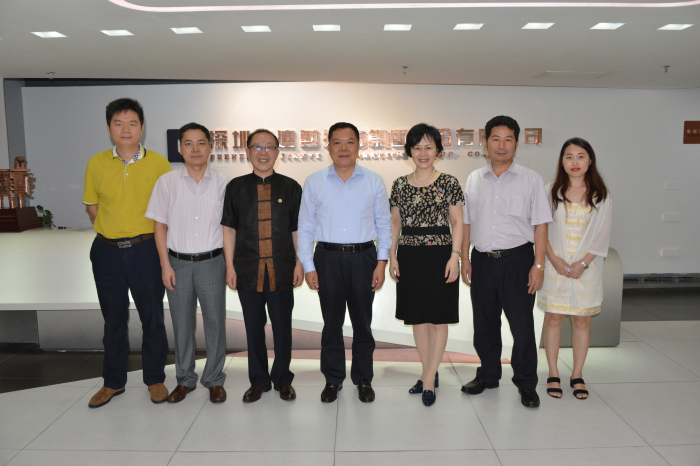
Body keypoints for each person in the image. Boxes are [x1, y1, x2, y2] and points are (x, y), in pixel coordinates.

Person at [83, 98, 172, 408]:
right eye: (118, 123)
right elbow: (92, 207)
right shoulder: (96, 163)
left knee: (153, 317)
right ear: (109, 129)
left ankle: (155, 379)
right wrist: (114, 232)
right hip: (106, 252)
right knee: (113, 320)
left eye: (132, 123)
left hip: (145, 250)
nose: (125, 129)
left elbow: (166, 212)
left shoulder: (158, 163)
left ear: (142, 128)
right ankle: (113, 382)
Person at [460, 115, 552, 408]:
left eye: (508, 139)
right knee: (484, 324)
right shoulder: (474, 179)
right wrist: (465, 258)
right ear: (485, 143)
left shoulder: (531, 179)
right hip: (483, 261)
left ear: (516, 143)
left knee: (522, 326)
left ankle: (526, 383)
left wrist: (538, 265)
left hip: (518, 261)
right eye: (495, 139)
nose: (501, 145)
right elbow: (466, 222)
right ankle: (488, 375)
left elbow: (541, 224)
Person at [297, 122, 392, 403]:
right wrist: (308, 265)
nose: (343, 148)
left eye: (350, 142)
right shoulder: (315, 181)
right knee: (332, 324)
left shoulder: (374, 180)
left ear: (358, 146)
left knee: (363, 323)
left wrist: (381, 262)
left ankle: (363, 378)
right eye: (337, 142)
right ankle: (333, 379)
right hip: (327, 258)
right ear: (328, 147)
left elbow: (384, 224)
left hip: (364, 258)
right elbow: (305, 226)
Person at [145, 122, 229, 404]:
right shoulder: (167, 182)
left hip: (212, 262)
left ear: (210, 147)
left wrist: (230, 265)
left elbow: (230, 229)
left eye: (201, 143)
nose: (195, 149)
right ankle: (184, 379)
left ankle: (214, 379)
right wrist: (164, 265)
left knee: (215, 323)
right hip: (177, 264)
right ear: (180, 148)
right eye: (189, 143)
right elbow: (159, 226)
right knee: (182, 324)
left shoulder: (223, 184)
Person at [221, 129, 303, 403]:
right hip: (247, 270)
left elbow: (297, 230)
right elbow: (229, 229)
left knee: (282, 328)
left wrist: (300, 262)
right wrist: (229, 266)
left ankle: (283, 379)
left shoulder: (291, 187)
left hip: (282, 269)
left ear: (278, 152)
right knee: (253, 328)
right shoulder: (236, 187)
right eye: (257, 147)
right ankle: (258, 381)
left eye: (269, 147)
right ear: (248, 152)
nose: (263, 152)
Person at [388, 123, 464, 407]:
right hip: (409, 255)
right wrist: (392, 255)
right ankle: (428, 372)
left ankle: (429, 379)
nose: (423, 153)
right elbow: (395, 223)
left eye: (428, 147)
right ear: (410, 151)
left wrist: (455, 256)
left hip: (440, 255)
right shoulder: (399, 184)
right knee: (418, 318)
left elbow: (457, 222)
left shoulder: (449, 182)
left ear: (438, 151)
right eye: (417, 147)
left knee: (438, 318)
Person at [538, 138, 612, 400]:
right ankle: (553, 372)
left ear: (590, 160)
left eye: (581, 156)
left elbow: (602, 235)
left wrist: (583, 263)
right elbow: (540, 229)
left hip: (586, 269)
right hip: (555, 266)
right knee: (554, 318)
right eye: (569, 156)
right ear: (562, 161)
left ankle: (577, 374)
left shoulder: (600, 194)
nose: (575, 162)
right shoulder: (550, 191)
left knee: (582, 320)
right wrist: (553, 259)